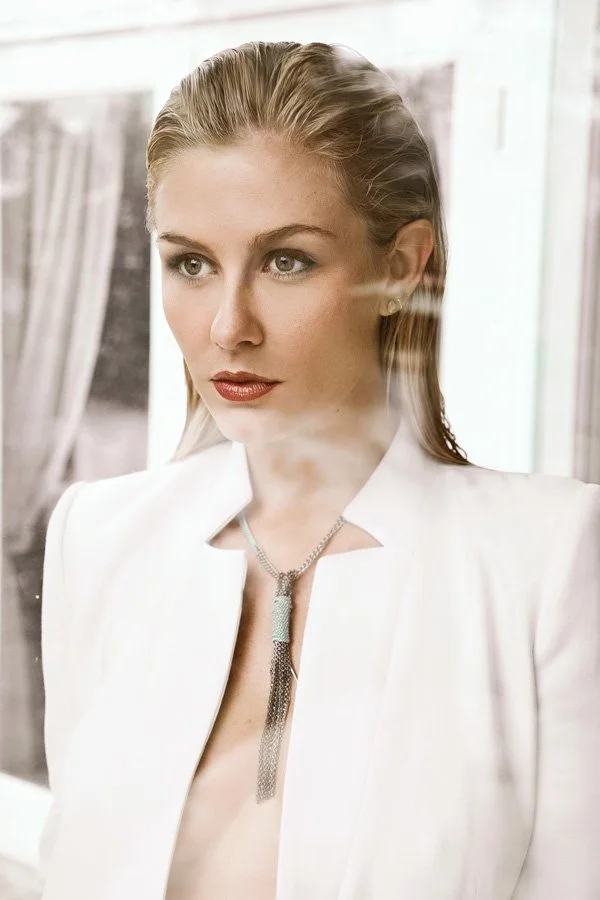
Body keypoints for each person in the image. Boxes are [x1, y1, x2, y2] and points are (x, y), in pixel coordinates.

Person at [38, 41, 600, 900]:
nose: (229, 326)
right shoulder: (100, 537)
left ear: (401, 267)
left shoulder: (550, 562)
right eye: (191, 262)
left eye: (287, 261)